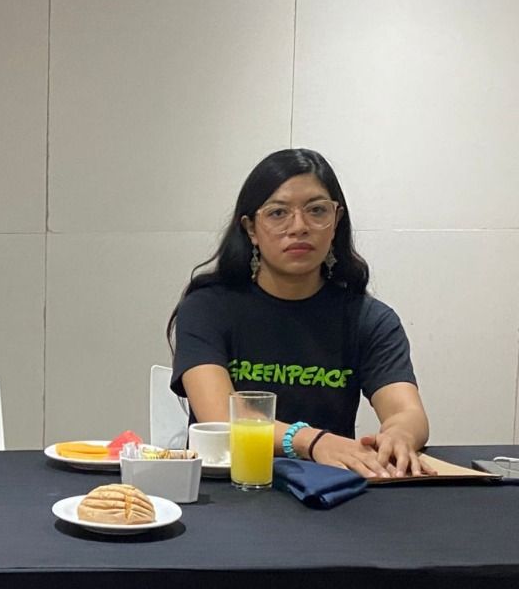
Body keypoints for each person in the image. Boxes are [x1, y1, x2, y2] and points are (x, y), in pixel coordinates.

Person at [167, 148, 432, 478]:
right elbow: (220, 416)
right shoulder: (207, 308)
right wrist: (312, 441)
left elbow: (407, 412)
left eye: (316, 211)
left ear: (336, 221)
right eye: (278, 213)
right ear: (251, 229)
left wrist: (399, 435)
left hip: (329, 489)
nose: (299, 227)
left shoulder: (369, 319)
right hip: (231, 486)